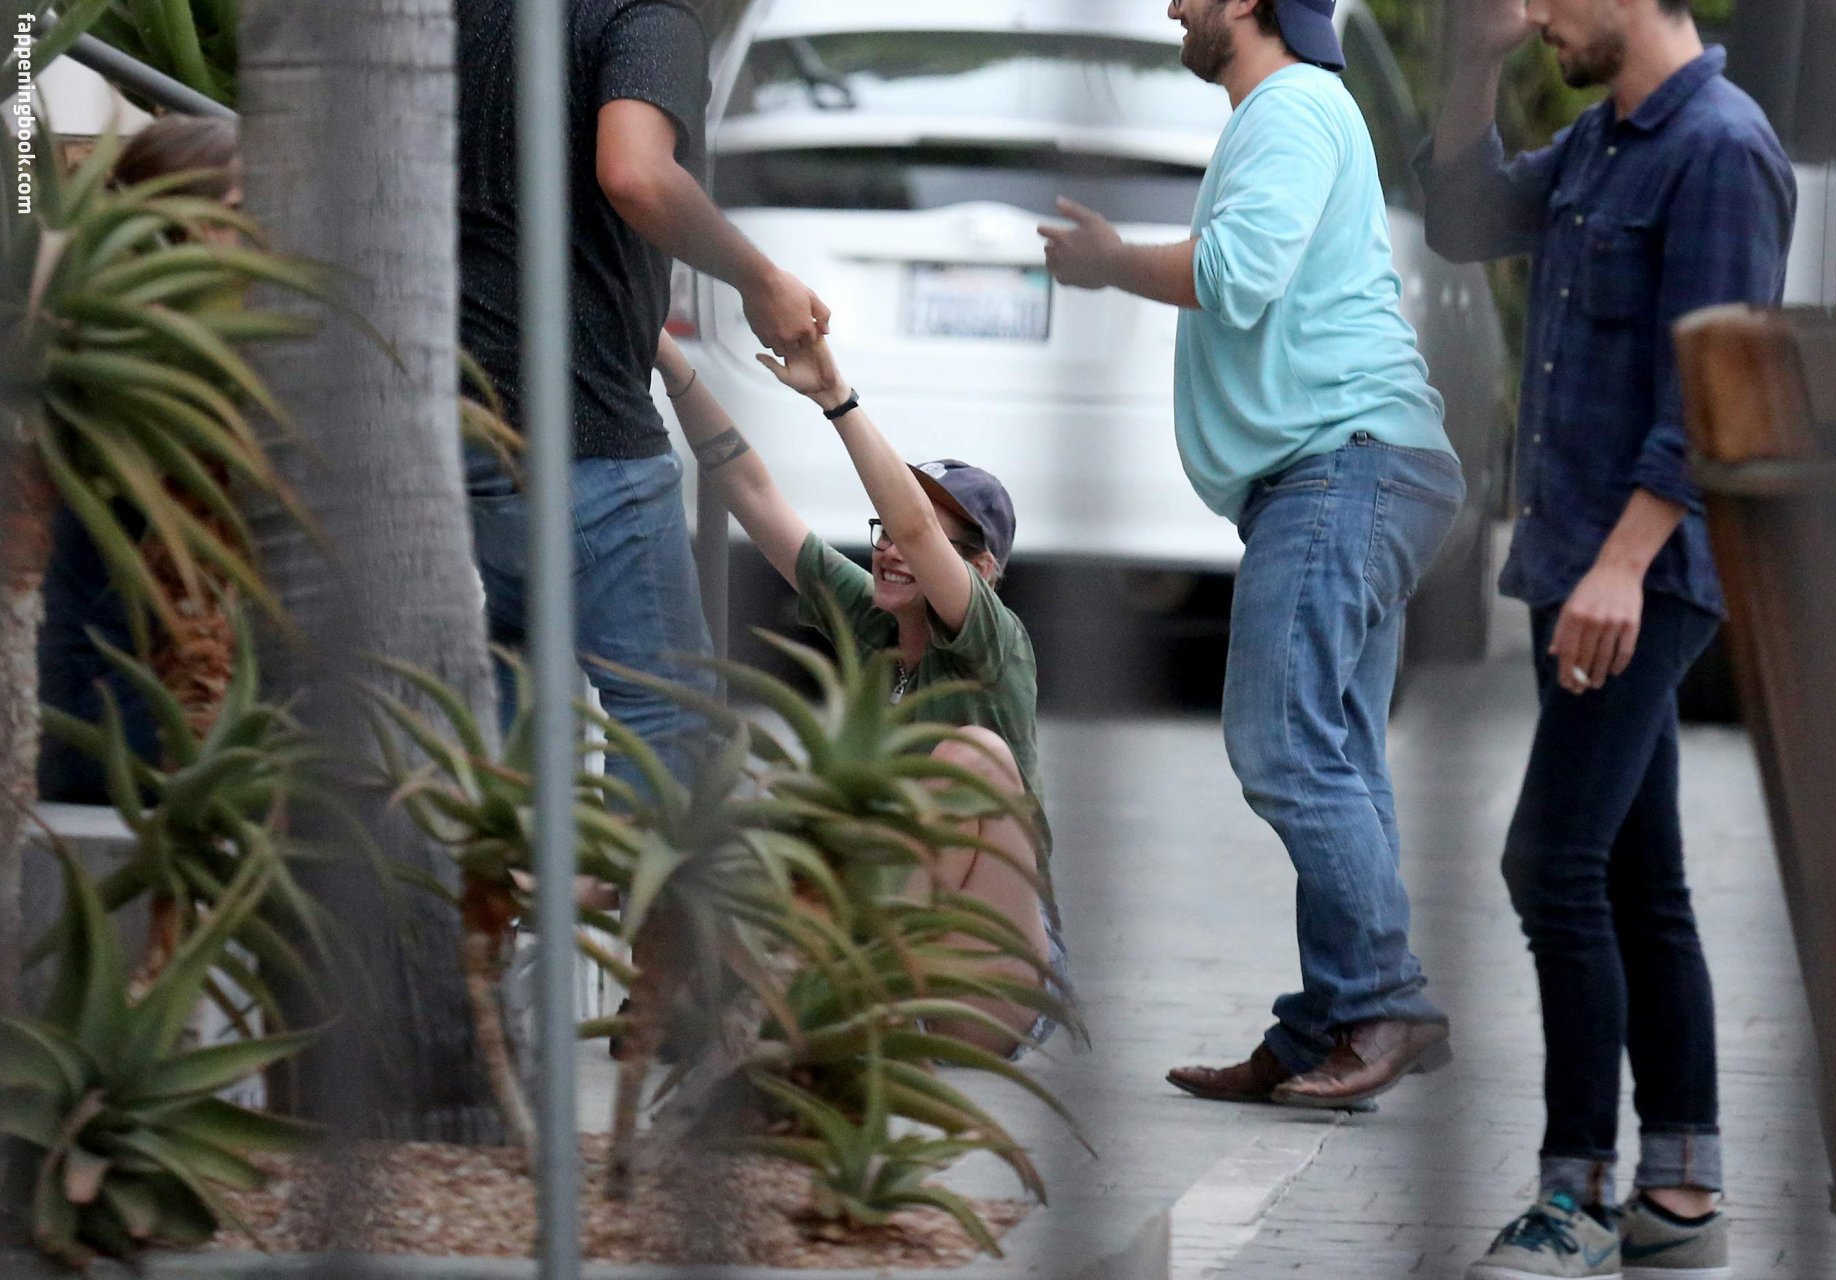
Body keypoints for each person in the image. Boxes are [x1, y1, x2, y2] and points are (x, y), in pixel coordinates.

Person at [1417, 0, 1794, 1274]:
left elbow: (1711, 392)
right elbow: (1463, 219)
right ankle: (1680, 1189)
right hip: (1574, 563)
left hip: (1641, 572)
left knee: (1551, 863)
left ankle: (1575, 1190)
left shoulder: (1722, 148)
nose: (1535, 17)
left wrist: (1625, 568)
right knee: (1638, 874)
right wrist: (1472, 64)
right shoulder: (1602, 142)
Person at [1041, 0, 1462, 1109]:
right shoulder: (1292, 110)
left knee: (1279, 742)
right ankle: (1332, 1020)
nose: (1173, 4)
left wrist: (1109, 261)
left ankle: (1386, 999)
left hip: (1342, 470)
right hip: (1365, 468)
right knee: (1336, 755)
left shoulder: (1289, 109)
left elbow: (1236, 273)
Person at [654, 332, 1063, 1059]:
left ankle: (819, 984)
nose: (890, 548)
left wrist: (835, 398)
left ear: (980, 571)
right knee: (750, 795)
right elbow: (749, 489)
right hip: (884, 948)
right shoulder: (872, 618)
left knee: (973, 755)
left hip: (988, 969)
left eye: (920, 541)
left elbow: (911, 524)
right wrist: (666, 355)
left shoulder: (994, 642)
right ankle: (776, 990)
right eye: (884, 532)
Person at [454, 0, 828, 792]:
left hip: (457, 415)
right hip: (576, 428)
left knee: (520, 692)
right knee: (669, 711)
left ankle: (507, 870)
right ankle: (645, 879)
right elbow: (636, 174)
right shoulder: (647, 14)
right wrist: (760, 280)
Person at [38, 115, 243, 803]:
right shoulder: (113, 362)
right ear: (173, 222)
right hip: (110, 721)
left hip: (177, 698)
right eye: (238, 211)